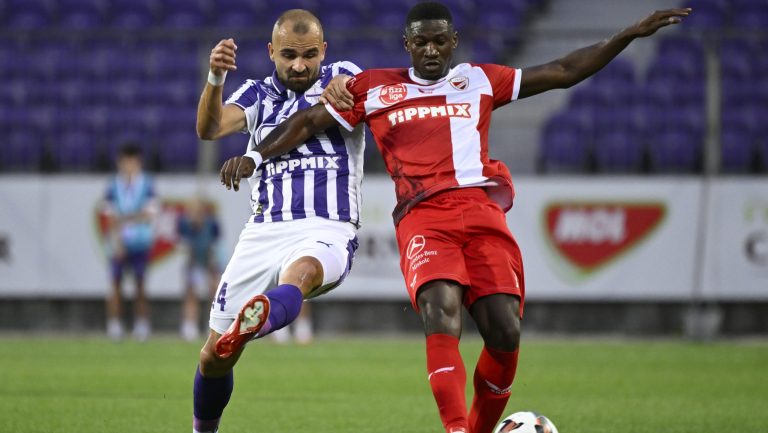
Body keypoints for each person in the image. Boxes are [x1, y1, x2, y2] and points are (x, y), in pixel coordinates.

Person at [219, 3, 691, 433]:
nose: (431, 50)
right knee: (440, 311)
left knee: (505, 331)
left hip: (482, 213)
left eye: (439, 41)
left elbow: (564, 71)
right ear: (407, 45)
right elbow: (306, 121)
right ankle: (456, 429)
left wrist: (626, 34)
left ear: (453, 42)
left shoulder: (480, 79)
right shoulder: (376, 87)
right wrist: (256, 156)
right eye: (421, 42)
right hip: (423, 216)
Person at [192, 9, 364, 433]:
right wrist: (215, 77)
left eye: (309, 55)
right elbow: (209, 128)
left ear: (324, 50)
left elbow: (359, 92)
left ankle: (262, 317)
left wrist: (347, 84)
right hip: (263, 231)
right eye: (289, 55)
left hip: (328, 224)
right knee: (213, 358)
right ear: (271, 52)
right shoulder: (256, 94)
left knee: (301, 273)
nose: (300, 65)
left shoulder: (343, 76)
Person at [102, 142, 157, 342]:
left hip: (140, 242)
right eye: (126, 161)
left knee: (140, 285)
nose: (129, 165)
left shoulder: (147, 184)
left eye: (132, 161)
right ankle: (114, 324)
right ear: (120, 162)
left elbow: (149, 215)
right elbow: (109, 218)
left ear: (138, 162)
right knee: (115, 284)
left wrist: (124, 218)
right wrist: (117, 242)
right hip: (119, 243)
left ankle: (141, 324)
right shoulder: (113, 185)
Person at [177, 197, 222, 341]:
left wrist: (212, 268)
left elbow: (216, 245)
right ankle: (190, 324)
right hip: (193, 262)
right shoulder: (185, 225)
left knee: (214, 292)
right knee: (191, 292)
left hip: (209, 261)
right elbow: (183, 245)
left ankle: (214, 324)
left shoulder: (211, 224)